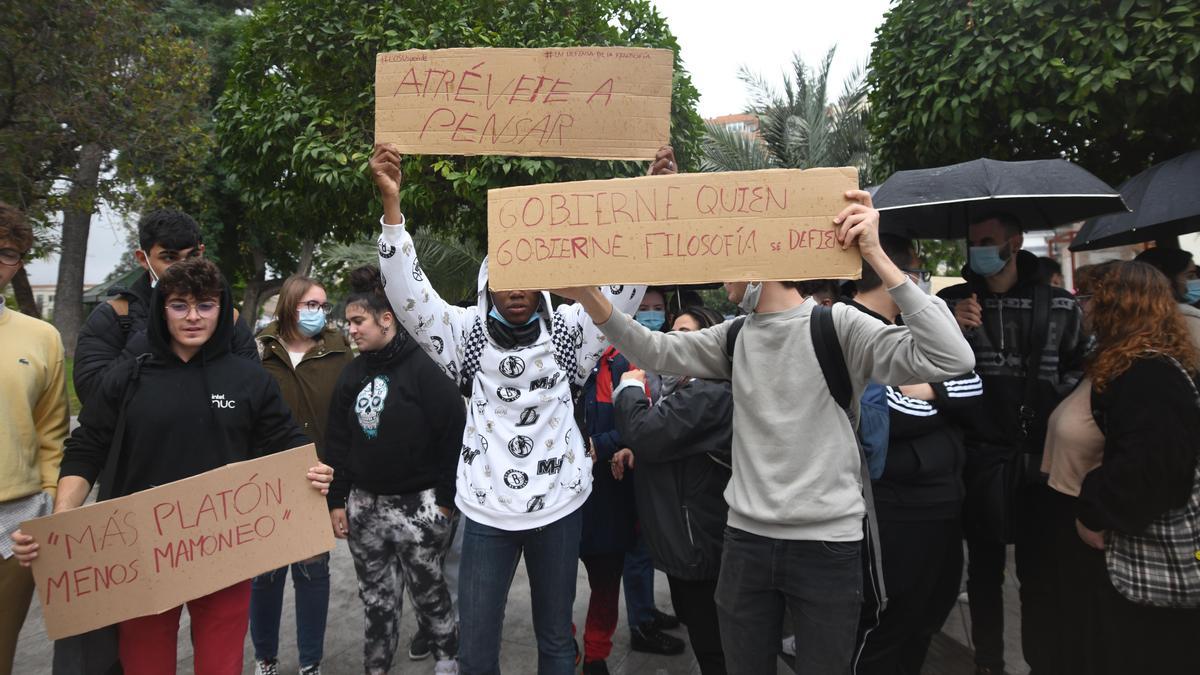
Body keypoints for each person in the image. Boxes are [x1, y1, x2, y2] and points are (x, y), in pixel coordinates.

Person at [556, 190, 976, 675]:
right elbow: (655, 351)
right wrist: (590, 297)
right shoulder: (735, 335)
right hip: (746, 545)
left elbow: (953, 357)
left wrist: (878, 256)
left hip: (827, 547)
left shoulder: (838, 325)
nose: (720, 270)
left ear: (759, 257)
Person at [369, 142, 659, 675]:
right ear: (487, 283)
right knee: (476, 649)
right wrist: (392, 211)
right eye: (505, 277)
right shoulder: (463, 335)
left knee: (555, 642)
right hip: (485, 513)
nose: (517, 289)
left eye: (528, 275)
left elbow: (622, 296)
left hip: (560, 507)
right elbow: (409, 295)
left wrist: (647, 195)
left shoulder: (573, 331)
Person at [10, 257, 333, 675]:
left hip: (228, 553)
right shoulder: (126, 378)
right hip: (140, 558)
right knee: (146, 665)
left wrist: (313, 469)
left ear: (222, 308)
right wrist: (61, 522)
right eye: (180, 305)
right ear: (162, 309)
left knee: (221, 666)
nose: (193, 317)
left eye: (205, 305)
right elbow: (86, 447)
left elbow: (286, 441)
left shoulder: (250, 380)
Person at [938, 212, 1086, 675]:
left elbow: (1082, 370)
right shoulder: (948, 304)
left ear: (1015, 242)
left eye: (989, 240)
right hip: (977, 457)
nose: (979, 249)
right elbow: (922, 369)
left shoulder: (1060, 305)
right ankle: (988, 663)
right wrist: (949, 329)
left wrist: (1055, 411)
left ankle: (1044, 661)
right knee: (982, 572)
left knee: (1039, 575)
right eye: (973, 242)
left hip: (1039, 460)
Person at [845, 234, 982, 675]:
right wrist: (939, 399)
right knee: (889, 622)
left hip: (942, 502)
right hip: (892, 509)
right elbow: (884, 414)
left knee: (929, 614)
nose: (920, 283)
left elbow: (973, 385)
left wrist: (930, 390)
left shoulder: (914, 328)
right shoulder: (847, 326)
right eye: (916, 272)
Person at [324, 265, 464, 675]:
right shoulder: (351, 375)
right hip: (364, 508)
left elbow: (453, 437)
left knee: (429, 592)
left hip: (419, 508)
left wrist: (444, 502)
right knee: (377, 599)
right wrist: (337, 501)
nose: (351, 329)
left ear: (386, 319)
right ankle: (377, 666)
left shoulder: (425, 369)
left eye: (358, 321)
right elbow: (338, 442)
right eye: (348, 322)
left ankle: (446, 659)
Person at [1072, 260, 1200, 673]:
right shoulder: (1152, 361)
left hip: (1151, 561)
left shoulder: (1146, 373)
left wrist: (1094, 507)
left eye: (1090, 298)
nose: (1083, 307)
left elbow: (1151, 470)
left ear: (1115, 305)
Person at [610, 306, 733, 675]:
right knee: (700, 626)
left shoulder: (707, 391)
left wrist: (630, 386)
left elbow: (647, 432)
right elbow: (671, 439)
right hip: (687, 543)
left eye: (684, 333)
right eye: (671, 331)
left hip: (698, 543)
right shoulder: (683, 387)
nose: (670, 340)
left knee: (713, 645)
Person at [249, 275, 354, 675]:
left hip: (318, 480)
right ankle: (266, 659)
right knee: (266, 576)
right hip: (266, 484)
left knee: (313, 573)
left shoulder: (337, 350)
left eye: (323, 306)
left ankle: (310, 661)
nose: (319, 313)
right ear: (289, 306)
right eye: (311, 305)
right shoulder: (259, 349)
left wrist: (339, 492)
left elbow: (347, 418)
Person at [576, 291, 684, 675]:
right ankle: (564, 643)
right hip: (559, 496)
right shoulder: (561, 360)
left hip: (611, 491)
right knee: (553, 584)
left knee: (606, 582)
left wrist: (600, 446)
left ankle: (596, 653)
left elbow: (637, 422)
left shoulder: (627, 362)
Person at [73, 209, 257, 407]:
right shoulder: (115, 315)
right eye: (169, 258)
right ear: (143, 259)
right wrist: (150, 337)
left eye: (192, 255)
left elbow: (255, 389)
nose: (184, 267)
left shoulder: (229, 316)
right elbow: (93, 395)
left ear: (202, 252)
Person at [0, 203, 69, 675]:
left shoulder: (41, 337)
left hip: (16, 520)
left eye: (5, 253)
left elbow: (52, 430)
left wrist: (46, 500)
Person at [1133, 247, 1200, 347]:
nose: (1196, 280)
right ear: (1165, 278)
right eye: (1189, 276)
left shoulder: (1133, 320)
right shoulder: (1186, 318)